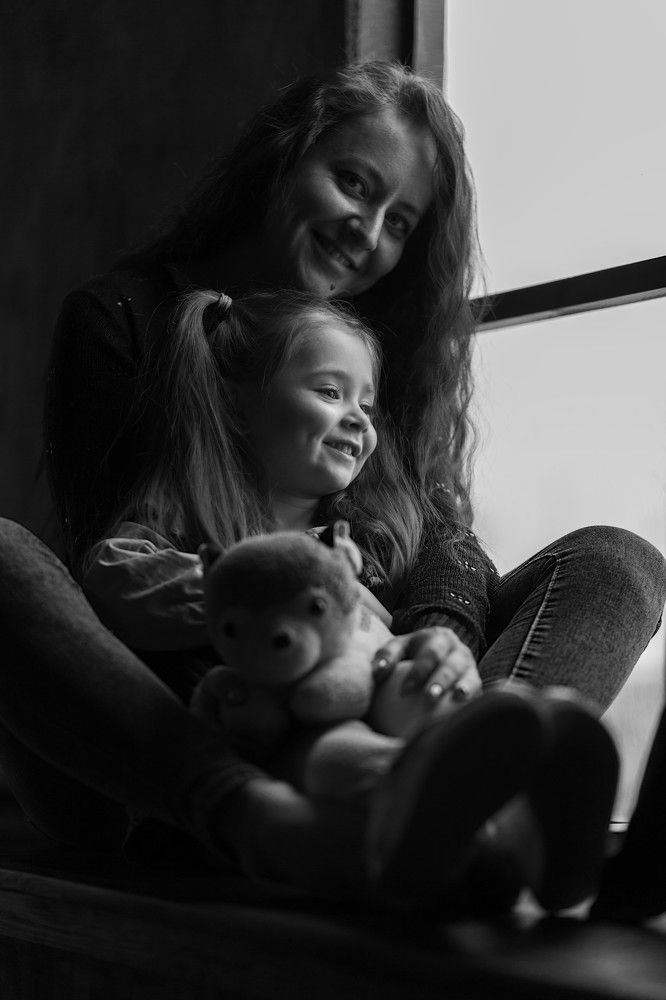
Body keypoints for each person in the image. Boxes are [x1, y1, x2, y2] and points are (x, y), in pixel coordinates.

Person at [0, 60, 663, 912]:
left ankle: (475, 787)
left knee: (617, 560)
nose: (369, 231)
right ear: (282, 158)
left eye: (401, 223)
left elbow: (440, 542)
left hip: (375, 694)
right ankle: (274, 818)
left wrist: (433, 642)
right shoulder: (124, 321)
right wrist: (304, 657)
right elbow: (117, 584)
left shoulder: (373, 357)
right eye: (354, 183)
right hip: (176, 733)